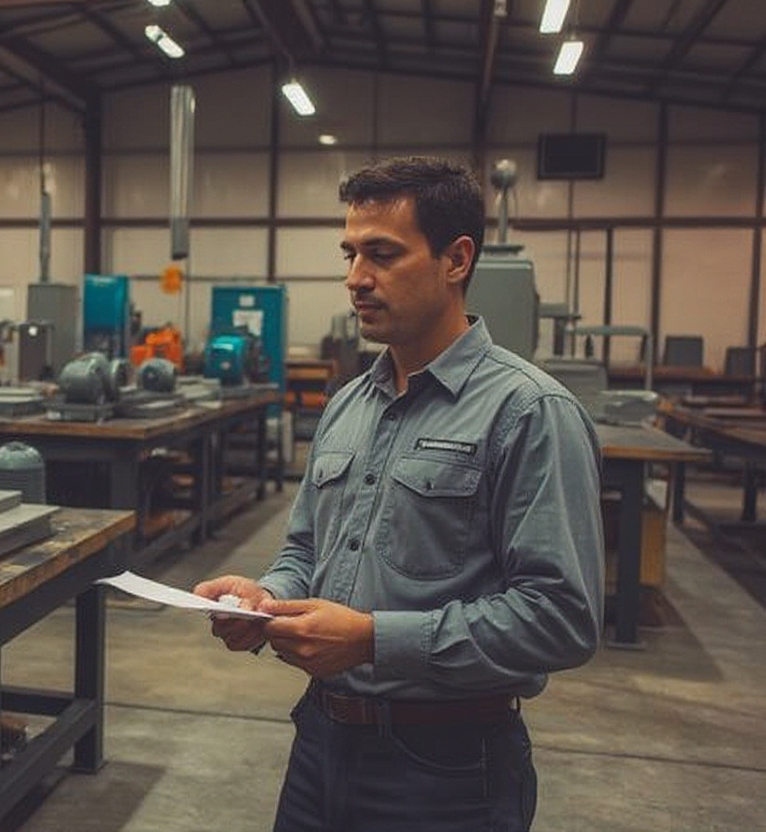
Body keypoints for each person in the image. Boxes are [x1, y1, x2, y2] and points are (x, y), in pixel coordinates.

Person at [194, 155, 604, 832]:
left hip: (446, 770)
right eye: (351, 254)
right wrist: (265, 599)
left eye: (382, 254)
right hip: (320, 745)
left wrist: (376, 641)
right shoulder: (349, 404)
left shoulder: (528, 412)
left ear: (456, 260)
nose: (357, 278)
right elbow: (306, 548)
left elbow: (562, 616)